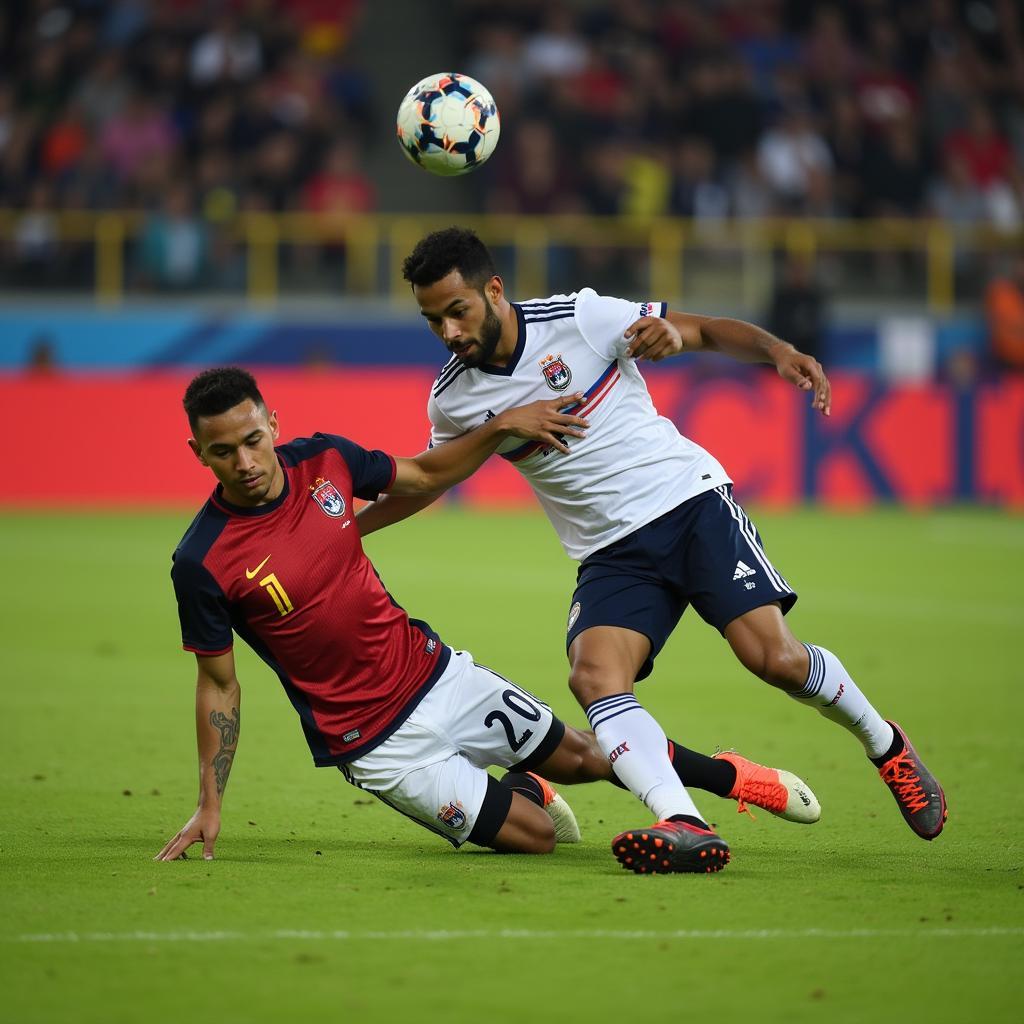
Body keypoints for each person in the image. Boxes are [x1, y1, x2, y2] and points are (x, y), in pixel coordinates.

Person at [356, 227, 948, 873]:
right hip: (611, 553)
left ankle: (885, 743)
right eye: (431, 319)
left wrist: (777, 352)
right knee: (594, 676)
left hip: (687, 505)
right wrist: (345, 532)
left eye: (456, 310)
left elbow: (705, 330)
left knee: (774, 658)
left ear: (493, 290)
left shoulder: (577, 319)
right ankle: (683, 819)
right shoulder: (454, 397)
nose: (448, 331)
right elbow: (430, 479)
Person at [157, 367, 819, 872]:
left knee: (587, 753)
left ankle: (731, 777)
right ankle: (523, 784)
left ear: (273, 422)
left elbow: (420, 473)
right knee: (539, 839)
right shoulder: (203, 560)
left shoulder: (323, 461)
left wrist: (502, 425)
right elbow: (219, 684)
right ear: (197, 454)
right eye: (223, 452)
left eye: (251, 440)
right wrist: (211, 801)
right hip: (376, 743)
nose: (244, 462)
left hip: (435, 673)